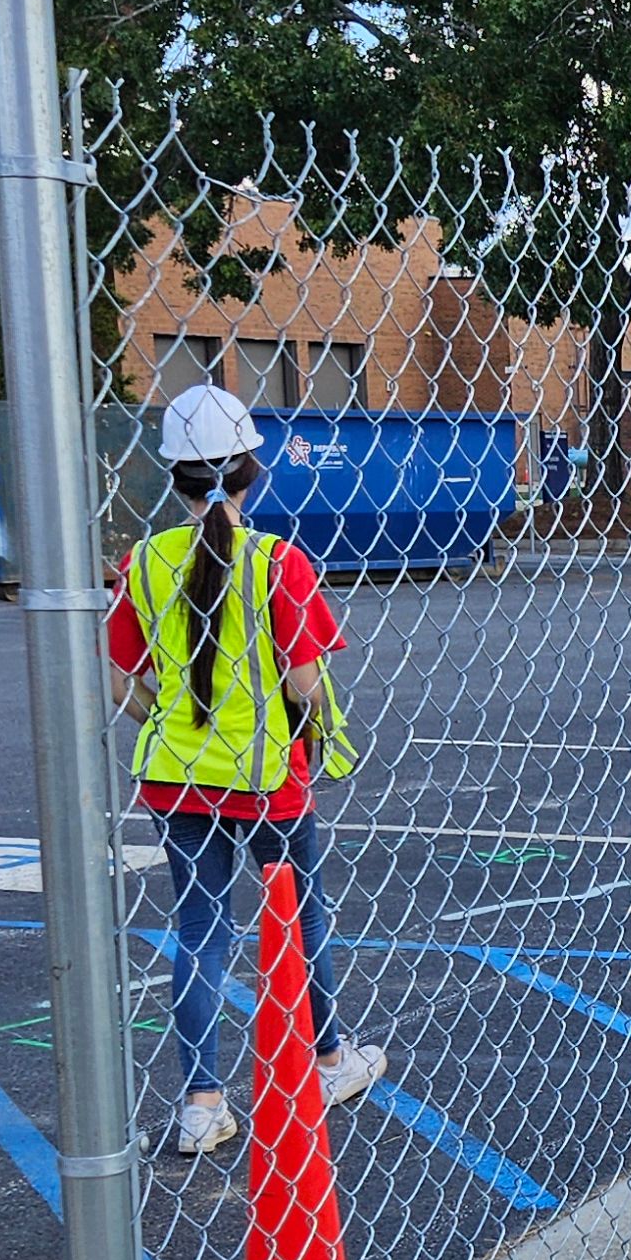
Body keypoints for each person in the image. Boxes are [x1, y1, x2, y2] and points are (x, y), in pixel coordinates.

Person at [106, 384, 384, 1157]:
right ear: (250, 472)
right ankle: (327, 1060)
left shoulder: (144, 562)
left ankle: (200, 1101)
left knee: (199, 929)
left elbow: (130, 683)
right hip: (267, 779)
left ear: (176, 478)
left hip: (176, 778)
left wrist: (171, 721)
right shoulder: (278, 563)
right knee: (300, 918)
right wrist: (324, 731)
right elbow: (304, 680)